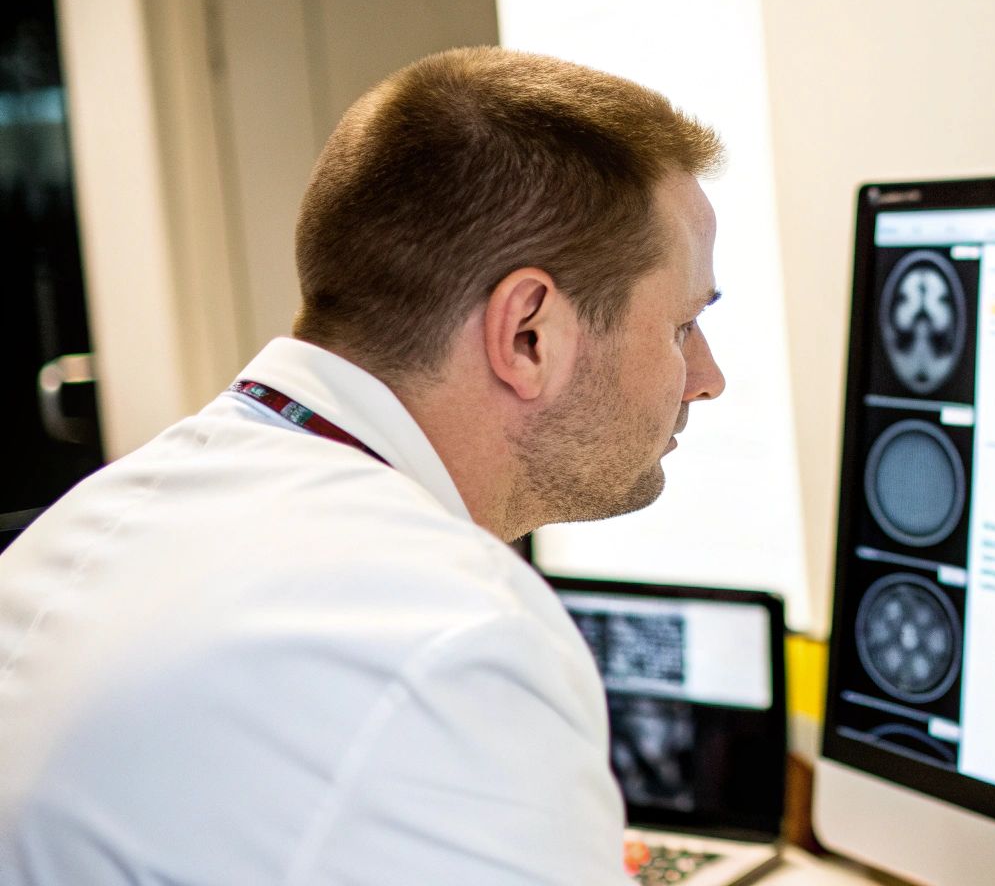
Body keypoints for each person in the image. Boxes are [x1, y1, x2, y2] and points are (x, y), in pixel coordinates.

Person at [0, 47, 726, 883]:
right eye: (681, 327)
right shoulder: (452, 639)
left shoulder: (96, 520)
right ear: (529, 333)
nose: (706, 379)